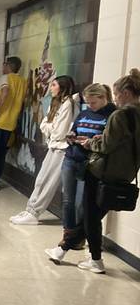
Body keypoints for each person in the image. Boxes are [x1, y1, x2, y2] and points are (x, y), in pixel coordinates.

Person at [51, 69, 140, 273]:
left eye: (116, 94)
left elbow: (106, 146)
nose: (115, 99)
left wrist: (90, 142)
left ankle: (91, 258)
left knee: (90, 216)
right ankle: (64, 249)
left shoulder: (119, 115)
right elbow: (121, 142)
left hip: (102, 170)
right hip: (125, 172)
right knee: (93, 216)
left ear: (126, 93)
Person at [50, 84, 115, 251]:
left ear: (103, 98)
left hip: (90, 163)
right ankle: (68, 235)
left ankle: (78, 238)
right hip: (72, 157)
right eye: (88, 103)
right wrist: (71, 136)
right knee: (68, 200)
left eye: (93, 102)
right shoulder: (84, 113)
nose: (90, 106)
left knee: (81, 204)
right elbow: (74, 129)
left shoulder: (112, 115)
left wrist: (91, 143)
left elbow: (108, 142)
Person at [10, 76, 78, 225]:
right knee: (41, 179)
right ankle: (30, 209)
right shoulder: (56, 103)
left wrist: (50, 127)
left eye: (54, 85)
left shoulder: (68, 104)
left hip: (62, 149)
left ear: (63, 87)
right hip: (53, 146)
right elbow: (44, 125)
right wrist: (50, 127)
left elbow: (59, 132)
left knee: (49, 182)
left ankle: (35, 213)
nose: (51, 88)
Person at [0, 56, 28, 193]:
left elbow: (5, 92)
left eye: (3, 65)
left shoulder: (6, 78)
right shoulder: (23, 81)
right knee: (1, 153)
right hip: (11, 123)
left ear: (7, 65)